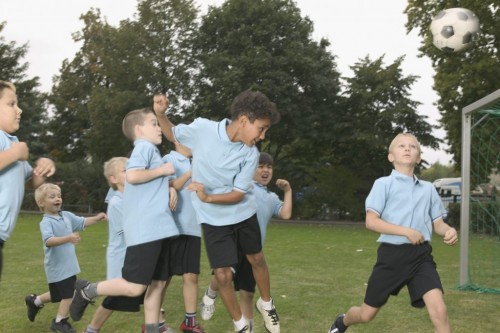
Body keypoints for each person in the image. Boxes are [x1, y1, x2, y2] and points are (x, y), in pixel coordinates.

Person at [153, 90, 281, 333]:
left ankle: (267, 304)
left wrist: (208, 196)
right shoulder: (203, 129)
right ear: (244, 120)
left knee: (256, 258)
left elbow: (238, 194)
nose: (262, 136)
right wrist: (161, 114)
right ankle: (240, 324)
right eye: (261, 128)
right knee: (222, 275)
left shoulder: (250, 154)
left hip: (243, 214)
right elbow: (172, 133)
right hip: (213, 219)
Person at [327, 133, 459, 333]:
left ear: (418, 157)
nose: (407, 149)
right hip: (391, 257)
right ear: (391, 156)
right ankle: (342, 322)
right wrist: (406, 232)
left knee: (439, 309)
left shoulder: (428, 189)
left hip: (421, 257)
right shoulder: (383, 184)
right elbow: (371, 222)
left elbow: (438, 224)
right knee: (366, 314)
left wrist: (449, 231)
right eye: (401, 146)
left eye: (412, 147)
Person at [69, 108, 179, 333]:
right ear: (139, 130)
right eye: (154, 123)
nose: (159, 128)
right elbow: (133, 175)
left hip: (161, 230)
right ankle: (87, 290)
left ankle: (152, 329)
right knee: (135, 287)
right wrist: (163, 171)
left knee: (157, 285)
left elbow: (145, 185)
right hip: (147, 231)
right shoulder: (144, 147)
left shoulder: (150, 151)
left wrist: (169, 186)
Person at [200, 152, 292, 333]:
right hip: (234, 244)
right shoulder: (244, 187)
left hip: (253, 250)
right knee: (224, 275)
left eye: (269, 167)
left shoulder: (272, 197)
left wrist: (288, 191)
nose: (265, 170)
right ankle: (210, 295)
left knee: (248, 293)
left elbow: (286, 214)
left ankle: (246, 329)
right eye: (260, 166)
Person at [24, 183, 107, 333]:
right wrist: (67, 238)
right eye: (52, 197)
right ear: (41, 202)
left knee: (58, 294)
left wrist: (96, 218)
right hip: (57, 266)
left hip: (68, 266)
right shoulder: (46, 222)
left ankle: (34, 302)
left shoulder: (66, 215)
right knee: (69, 293)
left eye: (59, 196)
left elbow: (82, 222)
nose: (57, 199)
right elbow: (48, 241)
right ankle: (60, 321)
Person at [0, 80, 56, 280]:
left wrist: (43, 166)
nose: (19, 110)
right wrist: (15, 153)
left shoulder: (10, 142)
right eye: (11, 104)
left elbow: (31, 184)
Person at [163, 142, 205, 333]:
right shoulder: (169, 159)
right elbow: (167, 185)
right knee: (164, 277)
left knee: (191, 275)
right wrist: (189, 173)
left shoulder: (196, 162)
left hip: (193, 228)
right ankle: (154, 321)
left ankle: (189, 323)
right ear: (178, 141)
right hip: (172, 227)